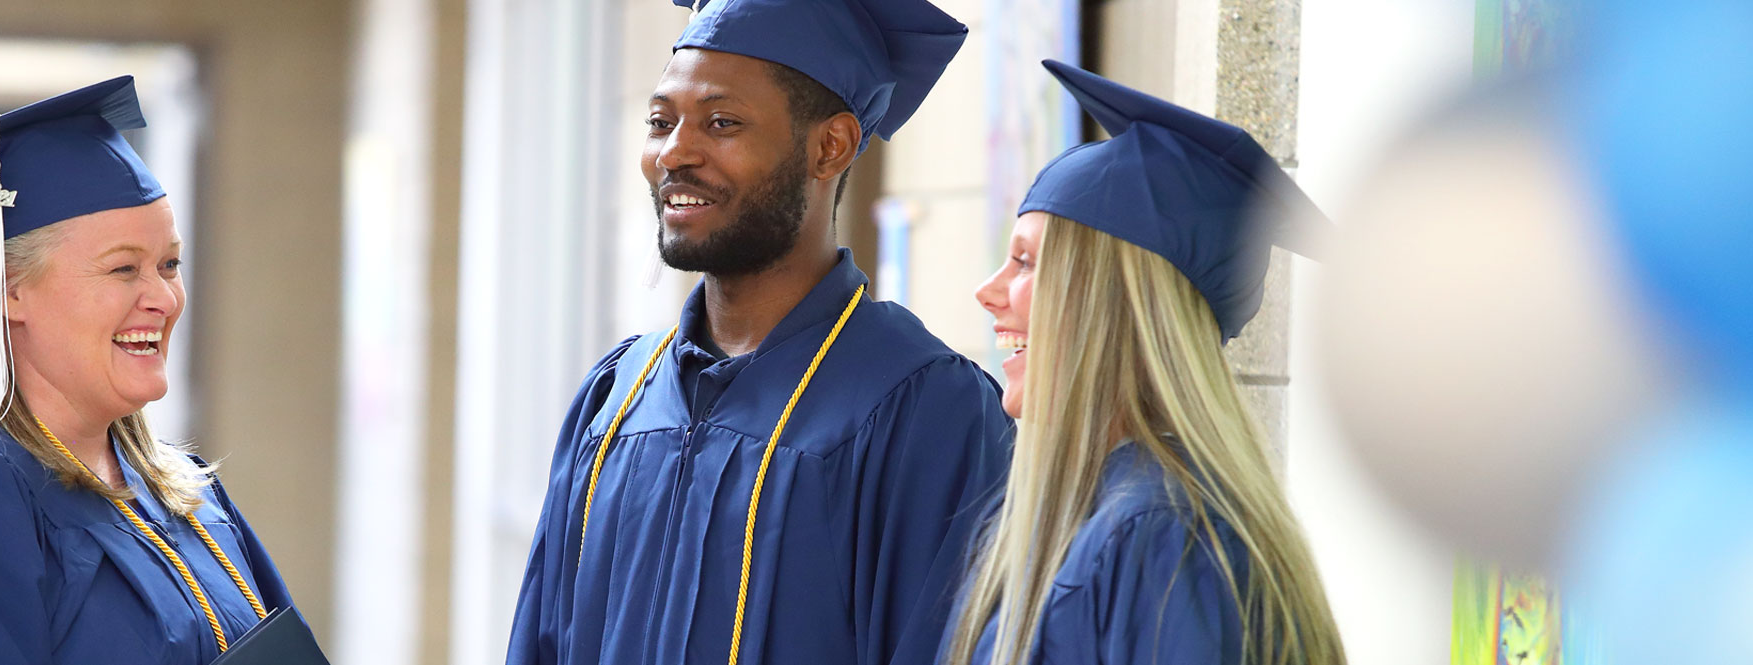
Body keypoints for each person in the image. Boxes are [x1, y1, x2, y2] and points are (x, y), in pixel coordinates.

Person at [504, 1, 1013, 664]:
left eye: (722, 122)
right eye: (660, 121)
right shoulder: (615, 398)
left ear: (829, 146)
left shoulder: (925, 410)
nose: (674, 153)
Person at [0, 76, 299, 664]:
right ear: (8, 291)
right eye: (123, 269)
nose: (164, 298)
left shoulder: (184, 490)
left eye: (169, 264)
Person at [947, 61, 1344, 665]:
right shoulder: (1079, 513)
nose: (988, 290)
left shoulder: (1165, 535)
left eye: (1026, 263)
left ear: (1116, 301)